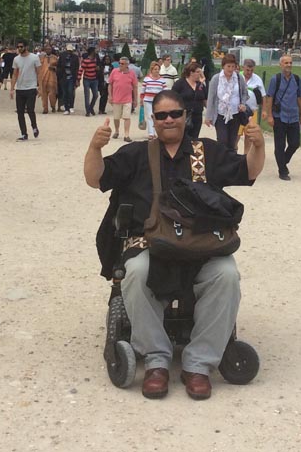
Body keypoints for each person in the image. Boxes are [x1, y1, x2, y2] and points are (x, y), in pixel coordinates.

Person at [84, 89, 265, 401]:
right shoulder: (137, 154)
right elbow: (94, 178)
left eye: (175, 114)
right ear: (153, 120)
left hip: (201, 245)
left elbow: (248, 170)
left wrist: (258, 145)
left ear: (186, 117)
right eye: (161, 115)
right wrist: (94, 148)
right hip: (151, 244)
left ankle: (198, 363)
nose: (168, 120)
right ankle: (156, 359)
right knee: (136, 272)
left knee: (227, 275)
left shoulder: (204, 152)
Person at [264, 55, 301, 180]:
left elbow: (300, 97)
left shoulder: (297, 79)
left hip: (293, 116)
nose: (288, 65)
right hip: (279, 116)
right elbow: (270, 97)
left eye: (290, 63)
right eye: (286, 63)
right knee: (280, 145)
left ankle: (283, 161)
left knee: (295, 143)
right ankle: (282, 171)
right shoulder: (275, 79)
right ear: (281, 64)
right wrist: (270, 115)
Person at [205, 54, 249, 149]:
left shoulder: (238, 78)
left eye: (233, 66)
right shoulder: (216, 79)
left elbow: (245, 93)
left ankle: (231, 161)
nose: (230, 69)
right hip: (221, 114)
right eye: (228, 66)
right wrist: (208, 116)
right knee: (222, 140)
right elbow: (211, 97)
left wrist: (243, 104)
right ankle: (221, 161)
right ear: (223, 66)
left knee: (232, 142)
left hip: (235, 114)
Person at [10, 40, 41, 141]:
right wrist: (12, 88)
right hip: (20, 88)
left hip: (31, 87)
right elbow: (15, 74)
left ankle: (34, 126)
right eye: (18, 47)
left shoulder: (34, 58)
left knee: (30, 109)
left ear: (26, 47)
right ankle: (24, 133)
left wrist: (39, 87)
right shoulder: (16, 59)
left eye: (21, 46)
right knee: (20, 112)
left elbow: (39, 73)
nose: (19, 48)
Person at [173, 62, 207, 139]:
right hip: (183, 116)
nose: (200, 74)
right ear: (191, 73)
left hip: (197, 116)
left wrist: (211, 113)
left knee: (194, 138)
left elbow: (205, 99)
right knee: (183, 138)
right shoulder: (180, 83)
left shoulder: (200, 84)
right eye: (198, 72)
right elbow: (173, 98)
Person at [108, 56, 139, 141]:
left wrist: (135, 99)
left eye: (122, 64)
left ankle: (126, 134)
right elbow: (110, 84)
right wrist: (110, 96)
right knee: (116, 117)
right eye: (119, 63)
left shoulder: (132, 73)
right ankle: (117, 131)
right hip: (116, 98)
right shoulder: (114, 71)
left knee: (127, 117)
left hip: (127, 99)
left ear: (127, 65)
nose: (120, 65)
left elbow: (135, 87)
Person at [241, 59, 266, 152]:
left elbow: (263, 96)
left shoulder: (257, 79)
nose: (249, 72)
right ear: (243, 67)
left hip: (252, 111)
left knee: (249, 135)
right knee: (236, 134)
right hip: (239, 110)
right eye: (247, 70)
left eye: (252, 70)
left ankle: (246, 156)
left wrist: (264, 110)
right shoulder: (237, 76)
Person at [141, 61, 168, 139]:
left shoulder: (162, 80)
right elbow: (143, 90)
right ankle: (151, 133)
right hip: (148, 100)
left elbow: (165, 90)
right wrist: (141, 99)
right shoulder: (146, 79)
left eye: (158, 69)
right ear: (151, 70)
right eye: (155, 69)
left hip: (158, 101)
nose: (156, 71)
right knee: (150, 116)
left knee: (157, 116)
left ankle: (157, 132)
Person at [56, 44, 80, 114]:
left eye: (70, 51)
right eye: (68, 51)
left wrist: (76, 79)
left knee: (70, 92)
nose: (69, 52)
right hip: (64, 77)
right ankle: (66, 108)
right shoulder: (62, 56)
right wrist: (60, 75)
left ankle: (71, 106)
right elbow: (59, 66)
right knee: (64, 93)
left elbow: (76, 68)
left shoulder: (75, 57)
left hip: (71, 77)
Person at [78, 47, 101, 116]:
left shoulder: (96, 60)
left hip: (94, 79)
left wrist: (98, 68)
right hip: (87, 79)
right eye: (94, 51)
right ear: (91, 52)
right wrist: (78, 79)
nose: (96, 52)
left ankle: (90, 107)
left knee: (96, 95)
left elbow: (100, 67)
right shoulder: (86, 61)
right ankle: (88, 111)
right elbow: (81, 70)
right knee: (87, 96)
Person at [39, 46, 59, 113]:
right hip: (43, 78)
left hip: (52, 78)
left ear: (51, 50)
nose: (48, 50)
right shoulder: (42, 58)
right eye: (47, 49)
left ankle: (53, 106)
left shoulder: (55, 58)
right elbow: (38, 68)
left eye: (49, 49)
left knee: (52, 94)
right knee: (43, 94)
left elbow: (59, 67)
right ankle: (45, 108)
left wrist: (54, 68)